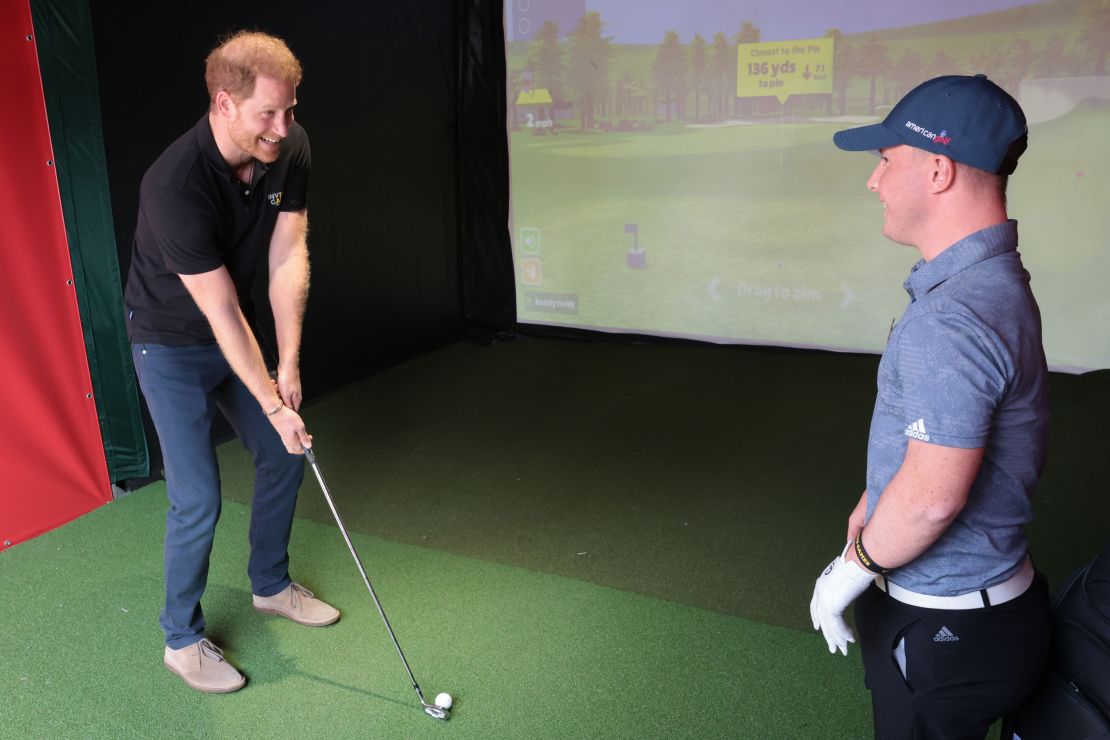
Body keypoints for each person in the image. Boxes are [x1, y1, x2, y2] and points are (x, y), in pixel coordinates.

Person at [808, 74, 1052, 738]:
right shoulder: (991, 282)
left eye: (886, 160)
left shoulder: (954, 316)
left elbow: (930, 500)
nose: (874, 181)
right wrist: (869, 515)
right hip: (981, 616)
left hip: (949, 630)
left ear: (938, 170)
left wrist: (848, 571)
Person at [124, 30, 339, 693]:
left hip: (236, 330)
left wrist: (291, 362)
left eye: (291, 109)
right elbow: (216, 311)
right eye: (266, 115)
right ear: (223, 104)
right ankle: (181, 641)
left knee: (283, 453)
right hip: (168, 341)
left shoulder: (288, 148)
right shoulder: (174, 184)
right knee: (198, 498)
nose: (282, 128)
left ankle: (270, 585)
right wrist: (271, 400)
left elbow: (285, 256)